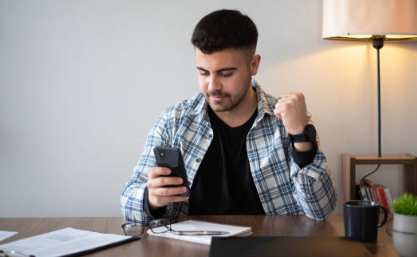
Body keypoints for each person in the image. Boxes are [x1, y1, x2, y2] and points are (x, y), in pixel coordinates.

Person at [120, 9, 336, 224]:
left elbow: (320, 211)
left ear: (254, 65)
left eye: (226, 74)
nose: (213, 87)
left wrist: (301, 137)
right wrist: (151, 199)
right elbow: (127, 204)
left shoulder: (288, 121)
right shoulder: (174, 121)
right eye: (203, 73)